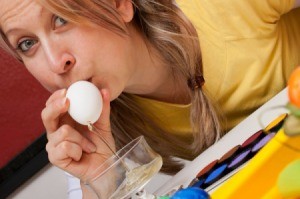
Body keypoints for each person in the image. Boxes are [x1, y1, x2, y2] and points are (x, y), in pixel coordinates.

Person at [0, 0, 299, 198]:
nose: (55, 63)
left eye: (61, 19)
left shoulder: (217, 6)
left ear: (118, 5)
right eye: (27, 44)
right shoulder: (102, 125)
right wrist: (102, 178)